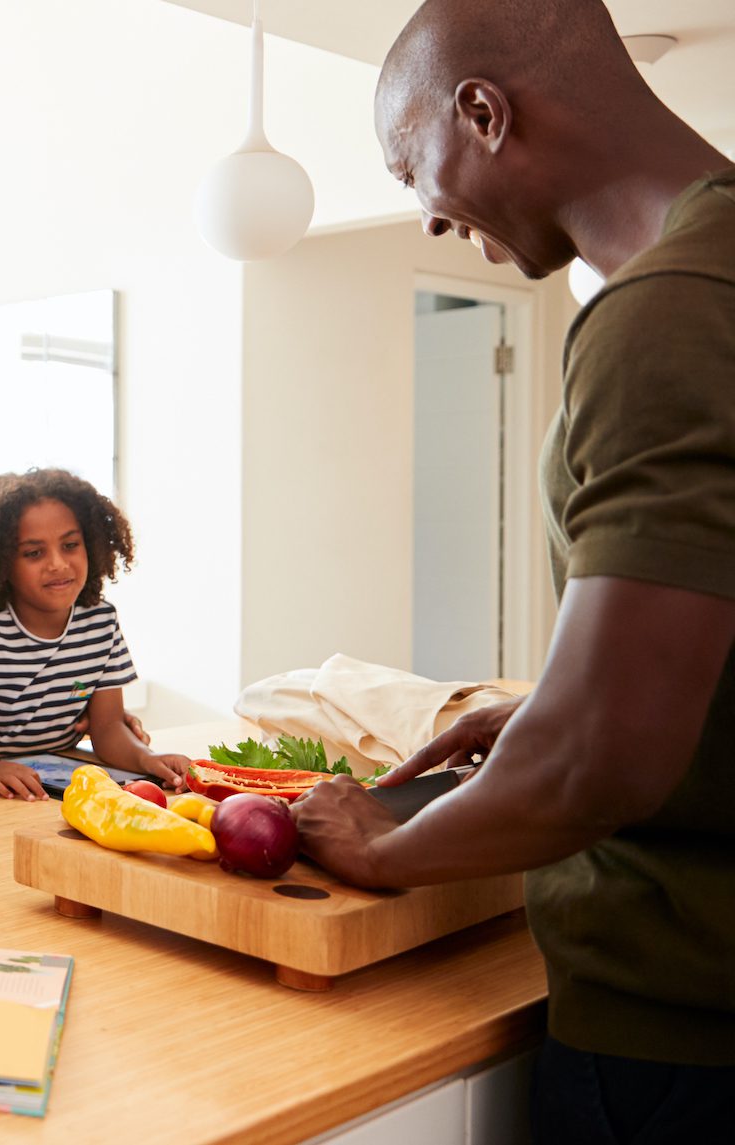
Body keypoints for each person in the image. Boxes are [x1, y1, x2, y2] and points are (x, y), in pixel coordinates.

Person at [291, 1, 735, 1138]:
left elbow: (595, 760)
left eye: (410, 168)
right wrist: (544, 706)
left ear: (481, 112)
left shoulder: (665, 315)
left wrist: (385, 848)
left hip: (675, 1032)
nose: (427, 217)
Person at [0, 469, 187, 799]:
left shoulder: (101, 623)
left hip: (55, 793)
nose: (57, 563)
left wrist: (149, 759)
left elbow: (107, 729)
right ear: (0, 563)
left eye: (70, 545)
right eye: (34, 553)